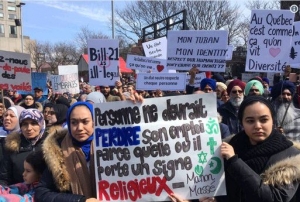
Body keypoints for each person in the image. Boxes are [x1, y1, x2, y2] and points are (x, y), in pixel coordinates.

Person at [170, 96, 300, 202]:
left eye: (264, 120)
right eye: (250, 121)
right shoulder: (226, 148)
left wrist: (234, 161)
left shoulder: (291, 157)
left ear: (273, 121)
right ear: (242, 123)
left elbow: (273, 198)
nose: (258, 126)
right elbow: (220, 190)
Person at [35, 102, 101, 202]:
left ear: (94, 122)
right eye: (74, 122)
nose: (79, 128)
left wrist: (132, 106)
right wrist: (79, 200)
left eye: (85, 122)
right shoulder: (57, 151)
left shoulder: (110, 147)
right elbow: (42, 193)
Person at [0, 108, 46, 185]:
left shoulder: (51, 145)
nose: (29, 128)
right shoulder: (11, 146)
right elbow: (5, 177)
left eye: (34, 123)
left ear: (41, 124)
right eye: (25, 124)